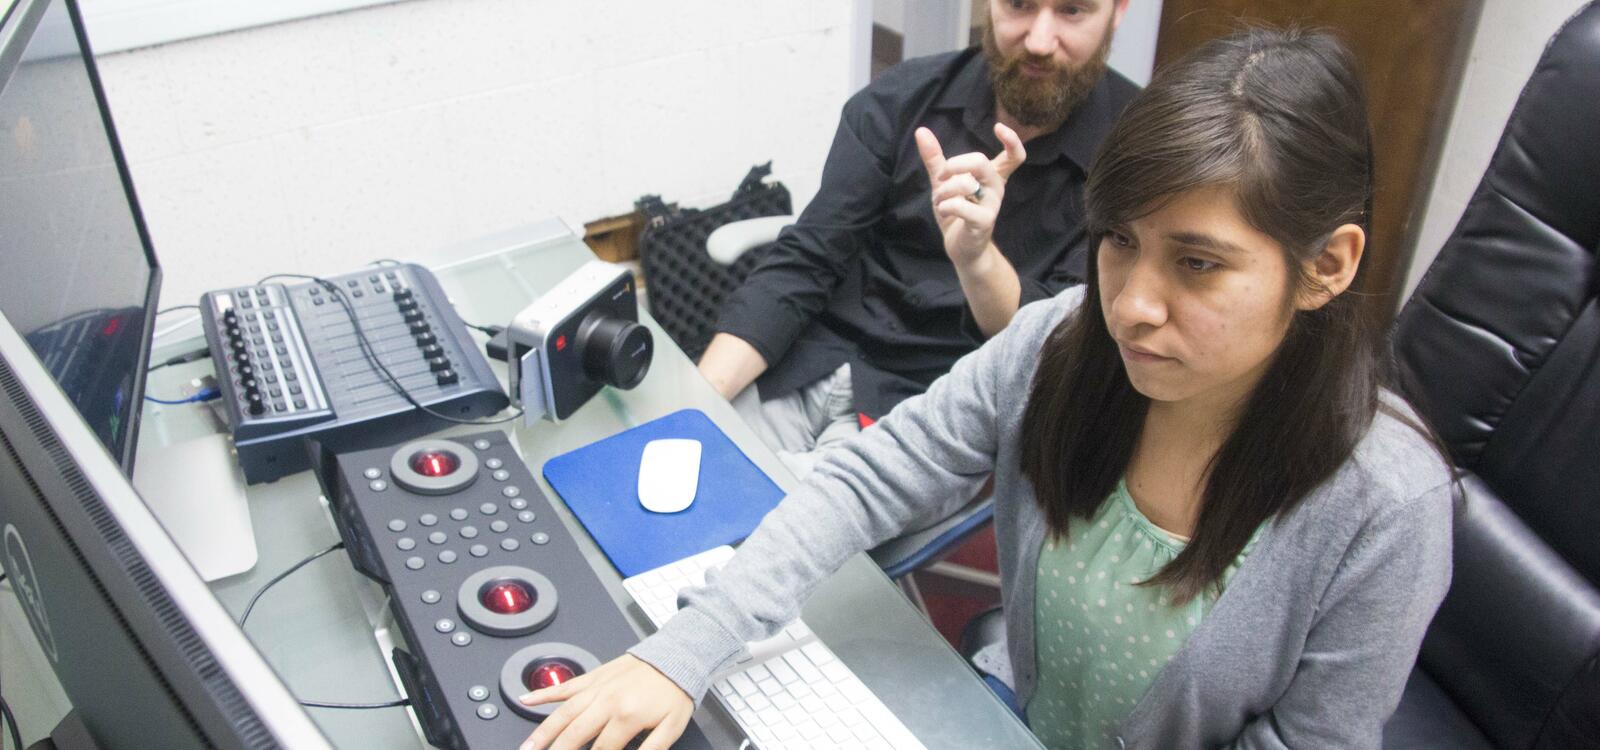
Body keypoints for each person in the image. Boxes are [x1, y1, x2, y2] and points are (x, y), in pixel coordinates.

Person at [519, 27, 1455, 750]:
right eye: (1119, 241)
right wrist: (689, 650)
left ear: (1326, 265)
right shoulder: (1062, 339)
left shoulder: (1386, 508)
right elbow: (863, 478)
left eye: (1199, 264)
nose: (1131, 303)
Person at [701, 0, 1139, 477]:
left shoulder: (1137, 158)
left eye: (1072, 11)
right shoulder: (901, 97)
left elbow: (1049, 349)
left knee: (763, 526)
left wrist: (976, 259)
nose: (1037, 39)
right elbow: (808, 257)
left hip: (930, 406)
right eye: (1019, 5)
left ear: (1117, 12)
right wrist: (694, 401)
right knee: (682, 460)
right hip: (811, 357)